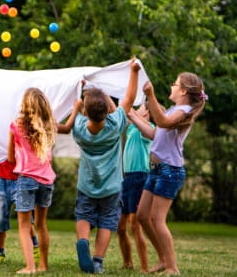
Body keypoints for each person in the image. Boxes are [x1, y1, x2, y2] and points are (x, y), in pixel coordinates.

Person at [133, 72, 206, 275]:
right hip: (156, 170)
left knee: (157, 219)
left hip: (170, 171)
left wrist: (151, 95)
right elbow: (154, 133)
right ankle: (163, 259)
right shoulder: (175, 109)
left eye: (175, 83)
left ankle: (172, 267)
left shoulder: (183, 111)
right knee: (142, 216)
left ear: (183, 91)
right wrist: (131, 113)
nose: (171, 86)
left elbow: (163, 122)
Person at [72, 59, 140, 274]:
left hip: (87, 185)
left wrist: (79, 90)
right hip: (111, 186)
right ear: (106, 111)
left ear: (85, 111)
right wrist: (134, 71)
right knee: (107, 221)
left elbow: (81, 110)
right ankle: (98, 260)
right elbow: (127, 100)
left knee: (84, 214)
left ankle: (83, 240)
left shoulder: (79, 129)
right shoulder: (114, 125)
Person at [8, 87, 60, 274]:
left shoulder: (16, 126)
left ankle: (30, 267)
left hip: (27, 179)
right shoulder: (49, 126)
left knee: (23, 225)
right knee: (41, 224)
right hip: (47, 180)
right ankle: (43, 265)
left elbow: (11, 158)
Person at [117, 103, 154, 273]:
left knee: (135, 224)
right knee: (120, 226)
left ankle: (145, 267)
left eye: (138, 107)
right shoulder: (131, 129)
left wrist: (133, 113)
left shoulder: (148, 129)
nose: (133, 108)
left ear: (146, 113)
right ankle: (127, 262)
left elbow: (128, 111)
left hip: (140, 177)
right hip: (127, 179)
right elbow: (122, 111)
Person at [0, 160, 40, 264]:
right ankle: (0, 252)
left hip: (21, 181)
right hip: (1, 182)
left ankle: (35, 246)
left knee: (25, 217)